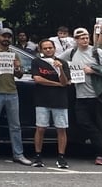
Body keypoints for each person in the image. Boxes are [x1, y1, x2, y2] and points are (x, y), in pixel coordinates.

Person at [0, 28, 32, 165]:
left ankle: (18, 154)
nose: (6, 39)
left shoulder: (14, 54)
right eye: (4, 36)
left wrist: (18, 68)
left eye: (9, 37)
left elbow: (20, 75)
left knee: (15, 126)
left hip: (12, 92)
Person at [60, 27, 102, 165]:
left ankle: (101, 155)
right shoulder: (71, 52)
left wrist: (93, 70)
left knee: (101, 125)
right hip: (80, 96)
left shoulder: (96, 51)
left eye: (87, 37)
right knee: (83, 122)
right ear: (75, 40)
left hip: (97, 95)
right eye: (81, 38)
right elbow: (57, 61)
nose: (85, 40)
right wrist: (66, 73)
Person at [30, 39, 70, 168]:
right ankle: (38, 156)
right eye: (45, 48)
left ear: (54, 48)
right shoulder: (37, 62)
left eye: (50, 48)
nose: (48, 50)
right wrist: (56, 84)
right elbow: (37, 79)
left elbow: (65, 82)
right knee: (40, 128)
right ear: (41, 50)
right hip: (42, 100)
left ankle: (61, 157)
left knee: (61, 129)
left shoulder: (62, 63)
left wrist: (60, 70)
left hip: (60, 100)